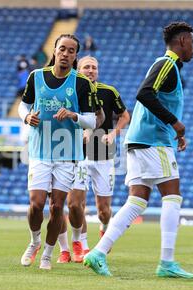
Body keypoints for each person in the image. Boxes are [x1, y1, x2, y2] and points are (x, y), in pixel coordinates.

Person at [83, 21, 193, 278]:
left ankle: (98, 252)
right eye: (192, 42)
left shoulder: (170, 67)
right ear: (181, 42)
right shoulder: (166, 63)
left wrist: (174, 131)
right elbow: (144, 93)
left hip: (141, 139)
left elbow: (151, 97)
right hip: (152, 140)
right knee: (172, 196)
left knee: (136, 201)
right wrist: (175, 123)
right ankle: (166, 262)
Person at [18, 34, 99, 270]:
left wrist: (74, 115)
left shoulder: (81, 83)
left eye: (71, 51)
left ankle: (47, 254)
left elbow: (92, 122)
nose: (65, 54)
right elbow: (24, 104)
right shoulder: (36, 77)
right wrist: (26, 116)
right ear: (54, 50)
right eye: (62, 49)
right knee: (36, 203)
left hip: (67, 152)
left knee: (56, 207)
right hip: (40, 149)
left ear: (75, 55)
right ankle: (34, 242)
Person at [56, 56, 130, 263]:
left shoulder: (109, 91)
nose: (91, 70)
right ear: (78, 70)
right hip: (79, 156)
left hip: (105, 156)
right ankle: (84, 245)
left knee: (104, 211)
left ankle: (105, 229)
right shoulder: (71, 92)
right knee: (75, 204)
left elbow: (125, 115)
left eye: (94, 67)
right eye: (86, 67)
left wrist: (114, 133)